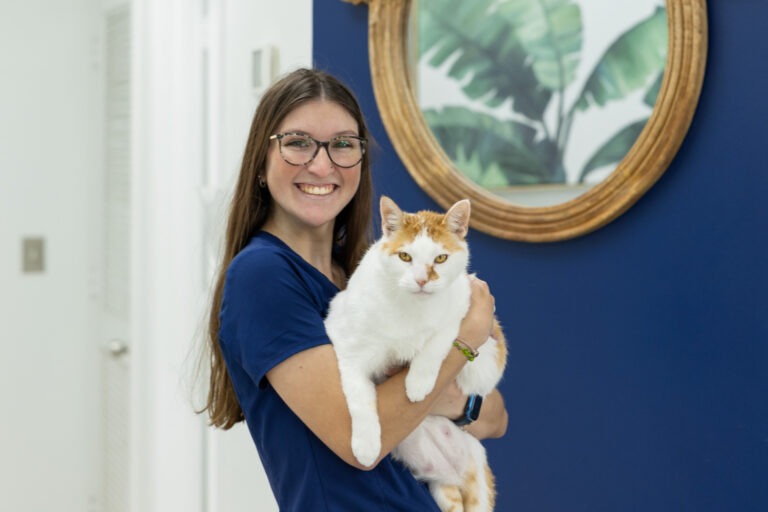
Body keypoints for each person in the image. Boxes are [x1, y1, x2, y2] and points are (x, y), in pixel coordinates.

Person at [200, 67, 508, 511]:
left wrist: (453, 397)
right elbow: (357, 440)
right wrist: (463, 342)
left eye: (343, 144)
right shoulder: (263, 277)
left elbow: (495, 417)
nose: (322, 165)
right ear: (261, 165)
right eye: (298, 142)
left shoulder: (370, 273)